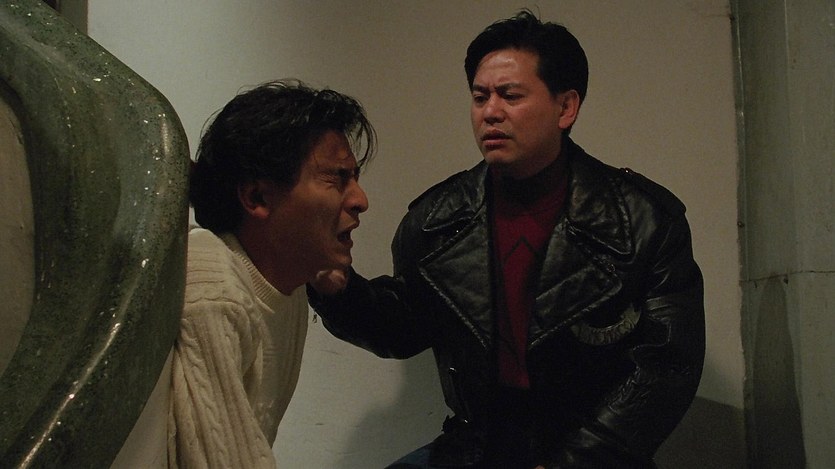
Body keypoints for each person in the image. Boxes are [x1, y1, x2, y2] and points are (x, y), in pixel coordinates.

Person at [308, 10, 705, 469]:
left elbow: (665, 367)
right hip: (476, 445)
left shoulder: (642, 220)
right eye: (480, 97)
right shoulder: (436, 219)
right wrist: (339, 292)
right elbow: (405, 325)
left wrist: (577, 460)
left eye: (510, 96)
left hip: (591, 449)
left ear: (566, 107)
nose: (490, 112)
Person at [168, 80, 375, 468]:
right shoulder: (212, 287)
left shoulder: (290, 280)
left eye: (355, 178)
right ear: (257, 197)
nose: (360, 200)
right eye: (336, 178)